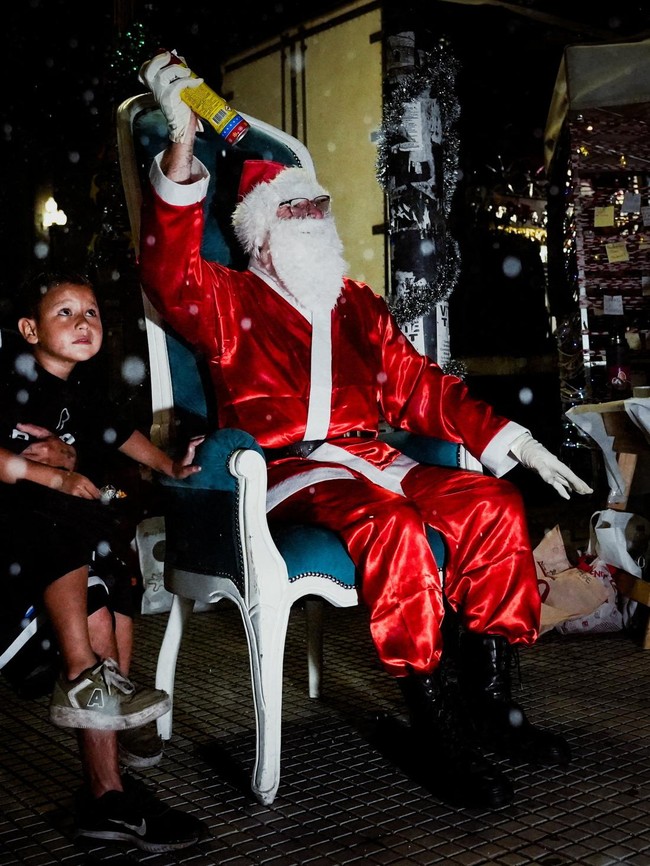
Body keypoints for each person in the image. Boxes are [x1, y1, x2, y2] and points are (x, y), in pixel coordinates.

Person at [137, 51, 593, 810]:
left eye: (320, 208)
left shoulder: (356, 303)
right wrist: (183, 141)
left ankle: (492, 704)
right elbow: (167, 273)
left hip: (374, 456)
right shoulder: (226, 298)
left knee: (494, 508)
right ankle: (438, 725)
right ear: (260, 231)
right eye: (298, 211)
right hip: (288, 469)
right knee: (394, 530)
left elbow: (420, 388)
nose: (317, 219)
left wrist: (515, 442)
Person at [0, 275, 205, 849]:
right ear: (29, 330)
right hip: (16, 550)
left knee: (109, 585)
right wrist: (50, 474)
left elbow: (118, 433)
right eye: (65, 313)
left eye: (91, 312)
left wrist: (170, 467)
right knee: (71, 516)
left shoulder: (82, 391)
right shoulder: (11, 382)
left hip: (55, 546)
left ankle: (106, 779)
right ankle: (103, 770)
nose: (83, 322)